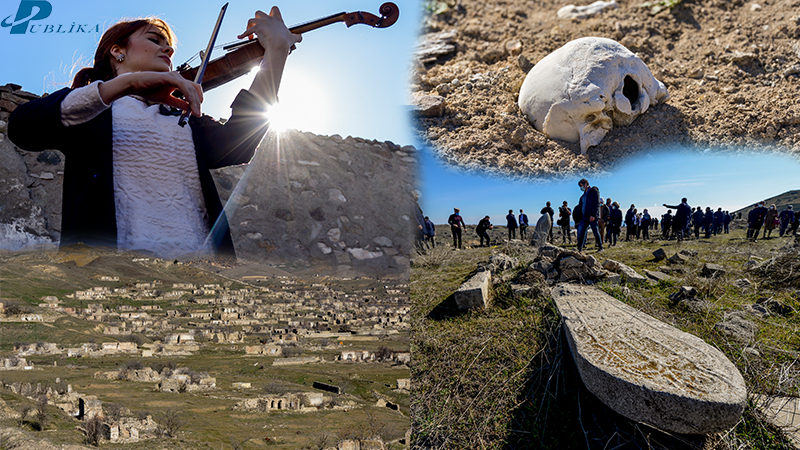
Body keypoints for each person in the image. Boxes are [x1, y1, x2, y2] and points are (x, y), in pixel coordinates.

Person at [8, 11, 301, 258]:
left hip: (198, 277)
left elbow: (238, 143)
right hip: (110, 277)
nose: (169, 51)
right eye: (154, 40)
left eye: (169, 47)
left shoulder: (181, 117)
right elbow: (22, 127)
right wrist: (128, 84)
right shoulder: (90, 107)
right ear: (117, 51)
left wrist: (276, 51)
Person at [575, 178, 603, 252]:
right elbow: (581, 207)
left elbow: (596, 203)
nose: (581, 188)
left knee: (595, 231)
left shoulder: (594, 191)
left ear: (586, 184)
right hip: (585, 217)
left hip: (592, 216)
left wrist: (593, 215)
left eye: (581, 186)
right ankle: (579, 248)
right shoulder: (582, 196)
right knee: (581, 232)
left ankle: (600, 247)